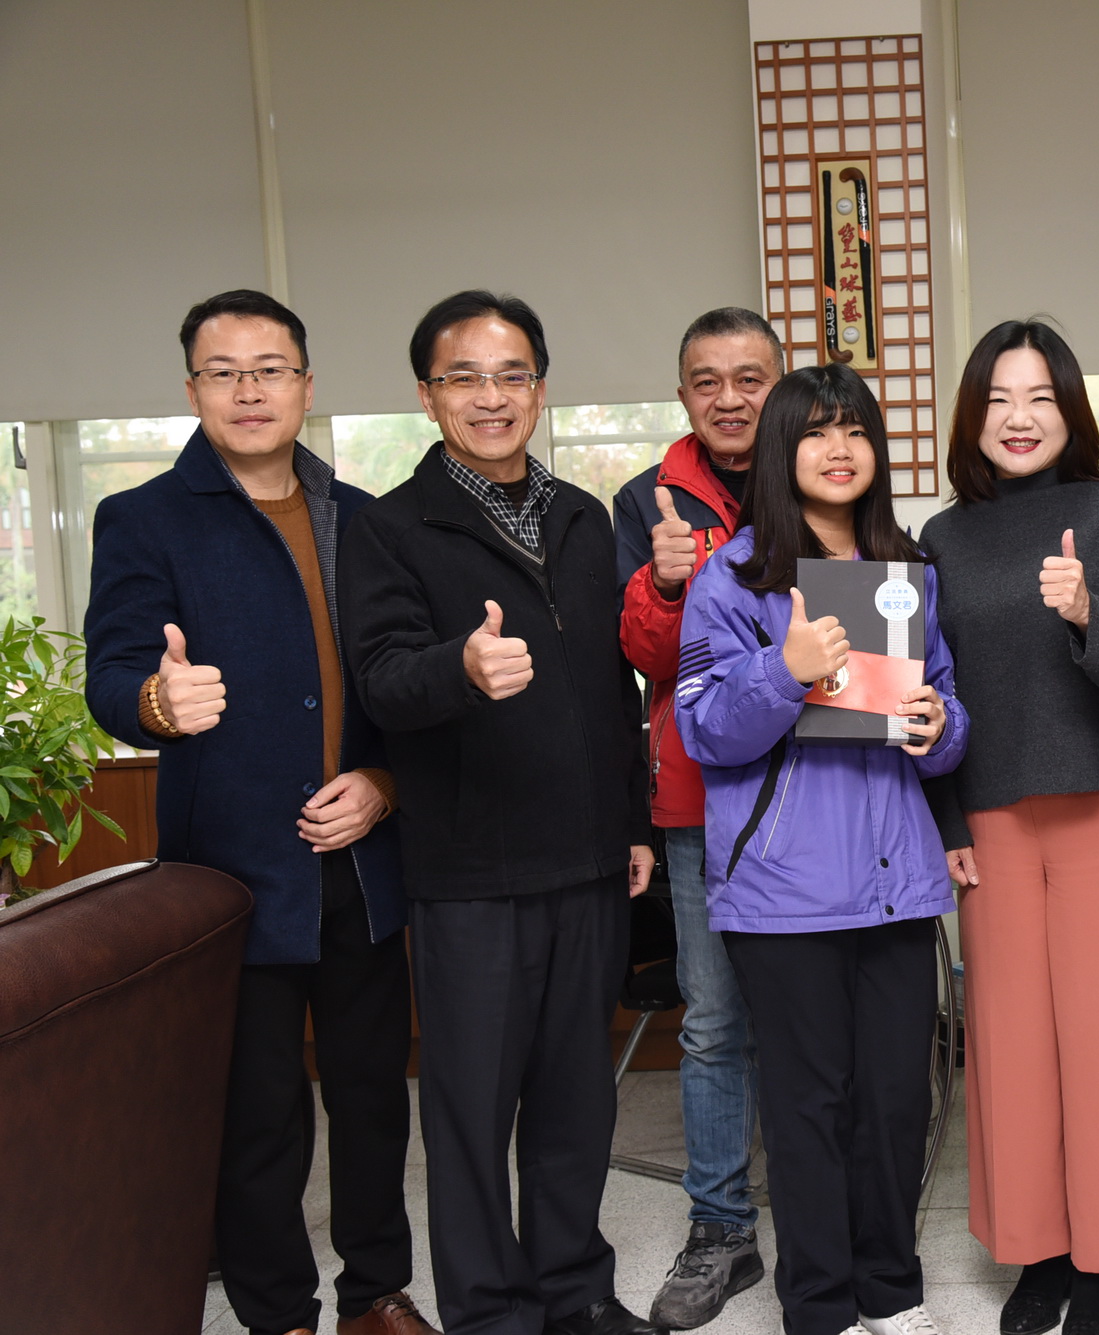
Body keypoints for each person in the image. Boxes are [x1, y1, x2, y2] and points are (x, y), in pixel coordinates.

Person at [83, 290, 434, 1335]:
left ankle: (375, 1294)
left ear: (306, 385)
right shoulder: (140, 518)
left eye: (270, 368)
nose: (249, 390)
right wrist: (155, 699)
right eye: (223, 371)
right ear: (193, 389)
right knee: (258, 1115)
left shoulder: (366, 518)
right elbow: (111, 674)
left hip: (362, 864)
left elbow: (406, 690)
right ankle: (278, 1311)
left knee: (374, 1102)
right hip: (231, 874)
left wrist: (386, 786)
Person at [340, 291, 659, 1335]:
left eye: (510, 374)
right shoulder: (389, 527)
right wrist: (461, 668)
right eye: (464, 377)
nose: (490, 396)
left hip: (585, 863)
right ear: (428, 395)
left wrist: (635, 828)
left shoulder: (578, 516)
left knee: (577, 1104)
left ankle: (573, 1290)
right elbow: (383, 682)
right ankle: (490, 1313)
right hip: (470, 872)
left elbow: (619, 693)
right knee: (473, 1115)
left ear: (539, 387)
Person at [921, 319, 1099, 1335]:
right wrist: (943, 813)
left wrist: (1089, 610)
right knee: (1007, 1043)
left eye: (1038, 397)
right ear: (972, 415)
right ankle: (1036, 1251)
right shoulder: (943, 537)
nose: (1018, 417)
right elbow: (928, 691)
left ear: (1069, 409)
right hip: (989, 813)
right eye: (997, 399)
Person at [675, 363, 966, 1335]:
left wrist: (937, 725)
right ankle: (821, 1305)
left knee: (894, 1103)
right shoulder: (736, 576)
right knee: (807, 1109)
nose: (838, 449)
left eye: (855, 431)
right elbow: (704, 728)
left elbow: (949, 725)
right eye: (814, 432)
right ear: (778, 451)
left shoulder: (909, 571)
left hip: (894, 884)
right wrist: (784, 670)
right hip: (782, 890)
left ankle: (889, 1292)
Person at [614, 307, 782, 1329]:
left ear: (779, 384)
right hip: (697, 803)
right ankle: (720, 1229)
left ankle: (835, 1213)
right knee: (715, 1023)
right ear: (683, 394)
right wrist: (666, 583)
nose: (727, 398)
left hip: (818, 791)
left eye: (748, 378)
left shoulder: (823, 472)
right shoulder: (647, 501)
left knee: (817, 1019)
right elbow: (639, 657)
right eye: (706, 380)